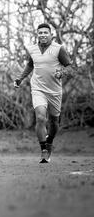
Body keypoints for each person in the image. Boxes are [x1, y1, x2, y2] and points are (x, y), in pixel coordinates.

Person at [14, 23, 72, 163]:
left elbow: (70, 67)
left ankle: (50, 140)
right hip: (38, 88)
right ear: (37, 34)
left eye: (45, 32)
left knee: (54, 122)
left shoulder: (58, 49)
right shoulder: (33, 49)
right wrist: (20, 79)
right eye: (40, 33)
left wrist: (62, 72)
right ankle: (44, 150)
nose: (43, 35)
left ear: (51, 34)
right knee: (40, 117)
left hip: (55, 91)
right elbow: (30, 65)